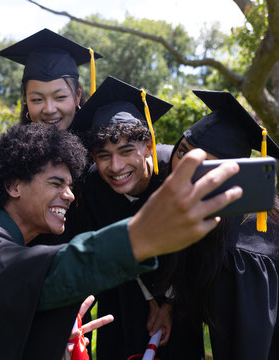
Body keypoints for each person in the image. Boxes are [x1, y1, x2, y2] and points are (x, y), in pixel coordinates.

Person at [0, 123, 242, 360]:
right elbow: (52, 273)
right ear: (13, 185)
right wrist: (138, 238)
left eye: (71, 186)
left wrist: (43, 334)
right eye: (56, 183)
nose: (69, 196)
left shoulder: (6, 248)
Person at [169, 90, 279, 359]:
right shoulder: (250, 211)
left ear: (230, 174)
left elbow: (246, 346)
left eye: (206, 166)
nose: (185, 169)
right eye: (182, 152)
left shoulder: (241, 250)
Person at [75, 76, 205, 359]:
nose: (116, 167)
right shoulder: (95, 186)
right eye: (104, 156)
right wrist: (149, 299)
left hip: (184, 288)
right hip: (126, 288)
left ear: (148, 147)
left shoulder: (176, 172)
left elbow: (196, 250)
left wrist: (168, 303)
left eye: (125, 151)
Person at [0, 28, 102, 130]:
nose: (49, 110)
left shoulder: (100, 147)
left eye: (60, 97)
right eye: (37, 99)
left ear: (78, 94)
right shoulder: (12, 148)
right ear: (26, 100)